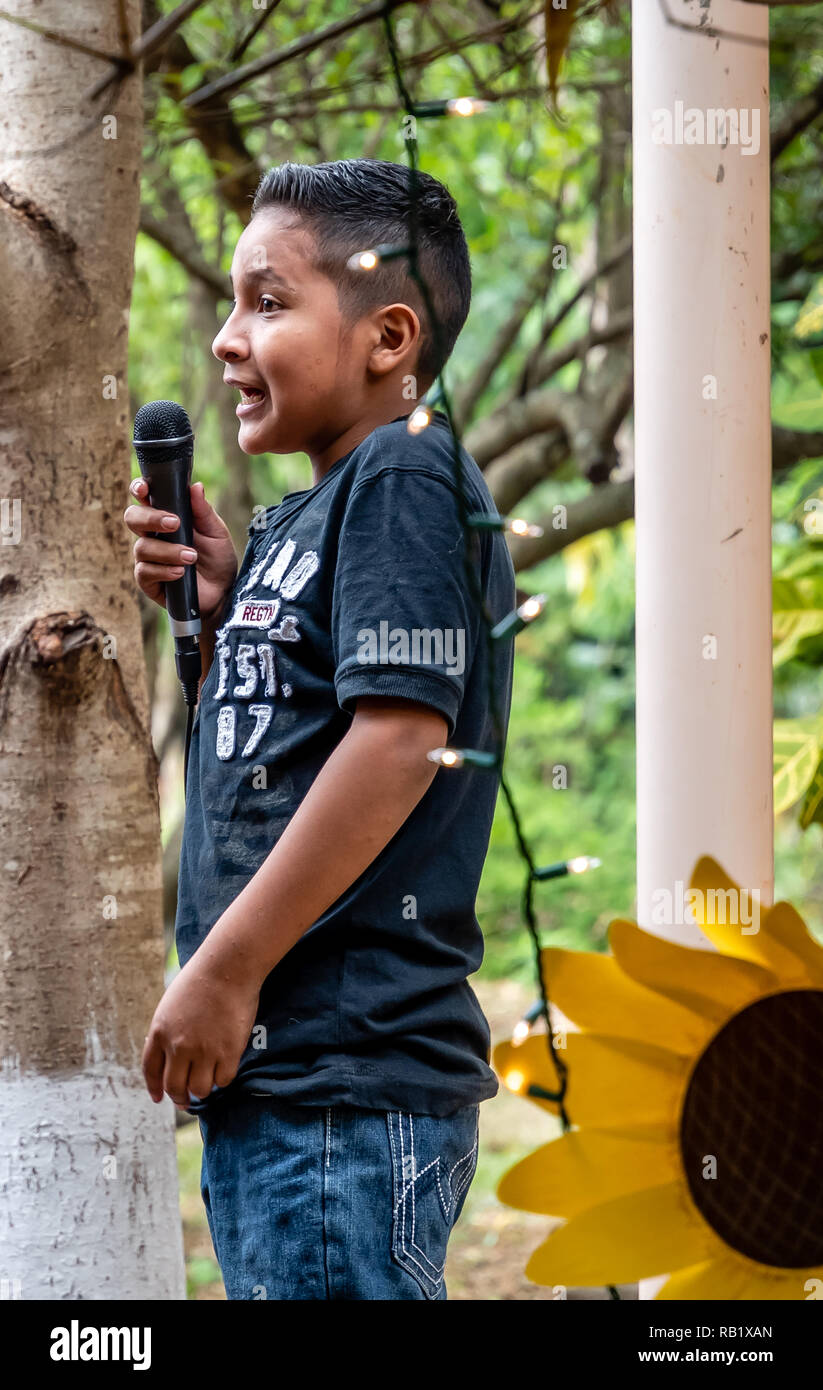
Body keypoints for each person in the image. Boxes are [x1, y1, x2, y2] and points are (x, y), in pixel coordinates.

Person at [124, 158, 516, 1300]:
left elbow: (399, 743)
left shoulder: (401, 471)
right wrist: (227, 607)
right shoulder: (316, 507)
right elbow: (285, 751)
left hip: (345, 1089)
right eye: (234, 303)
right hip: (296, 1089)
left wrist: (226, 969)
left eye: (270, 301)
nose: (227, 338)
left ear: (388, 338)